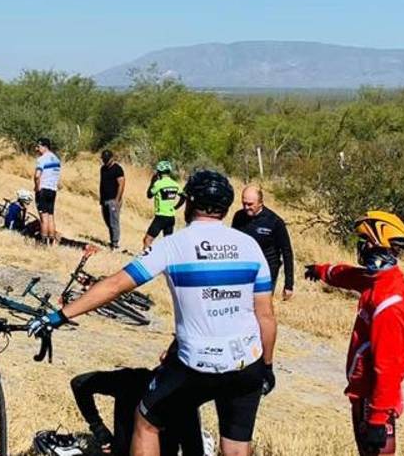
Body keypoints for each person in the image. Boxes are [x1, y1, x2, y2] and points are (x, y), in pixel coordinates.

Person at [30, 170, 277, 456]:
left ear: (189, 202)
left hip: (196, 365)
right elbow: (266, 316)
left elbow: (114, 286)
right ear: (226, 207)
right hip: (248, 363)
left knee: (147, 421)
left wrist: (60, 315)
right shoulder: (249, 246)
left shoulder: (173, 245)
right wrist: (267, 368)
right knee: (236, 446)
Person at [303, 211, 404, 456]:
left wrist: (377, 418)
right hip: (365, 391)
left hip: (373, 395)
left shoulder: (388, 303)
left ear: (376, 243)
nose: (360, 248)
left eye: (363, 242)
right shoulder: (379, 279)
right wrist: (323, 271)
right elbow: (351, 275)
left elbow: (387, 367)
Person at [71, 367, 204, 455]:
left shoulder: (133, 379)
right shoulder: (183, 398)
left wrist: (99, 430)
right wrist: (100, 431)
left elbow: (80, 384)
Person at [231, 186, 294, 301]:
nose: (246, 207)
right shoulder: (238, 217)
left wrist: (289, 284)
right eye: (244, 203)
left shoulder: (274, 222)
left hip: (266, 272)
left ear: (260, 203)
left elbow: (287, 252)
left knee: (261, 307)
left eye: (250, 204)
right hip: (244, 269)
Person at [142, 161, 185, 250]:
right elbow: (184, 196)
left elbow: (149, 195)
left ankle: (146, 259)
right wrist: (176, 207)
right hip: (171, 217)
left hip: (161, 216)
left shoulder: (159, 184)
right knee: (168, 242)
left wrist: (152, 182)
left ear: (159, 172)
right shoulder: (175, 184)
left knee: (147, 240)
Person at [33, 137, 61, 244]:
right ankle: (51, 241)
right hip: (52, 190)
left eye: (38, 146)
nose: (37, 149)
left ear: (45, 147)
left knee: (43, 218)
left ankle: (43, 242)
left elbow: (37, 175)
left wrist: (37, 187)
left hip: (43, 190)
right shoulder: (57, 160)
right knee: (51, 216)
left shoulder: (42, 159)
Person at [99, 150, 126, 249]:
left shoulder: (117, 169)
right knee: (107, 221)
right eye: (103, 159)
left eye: (106, 159)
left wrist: (117, 200)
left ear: (112, 158)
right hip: (104, 200)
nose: (105, 161)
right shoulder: (103, 169)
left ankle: (115, 243)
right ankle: (112, 240)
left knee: (114, 221)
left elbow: (121, 184)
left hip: (113, 200)